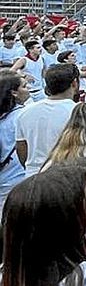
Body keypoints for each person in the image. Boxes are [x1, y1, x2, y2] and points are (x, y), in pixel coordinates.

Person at [14, 62, 79, 176]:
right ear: (74, 83)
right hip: (67, 176)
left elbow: (21, 149)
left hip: (33, 176)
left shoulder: (25, 112)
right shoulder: (79, 112)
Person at [0, 70, 27, 214]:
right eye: (24, 86)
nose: (27, 89)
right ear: (14, 93)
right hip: (17, 178)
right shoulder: (23, 115)